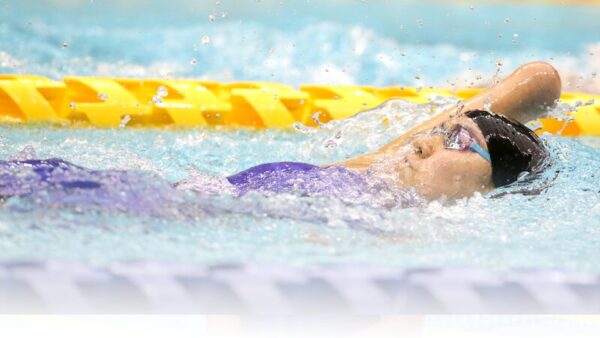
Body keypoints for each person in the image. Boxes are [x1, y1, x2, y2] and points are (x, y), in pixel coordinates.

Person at [0, 62, 560, 208]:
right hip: (131, 191)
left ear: (493, 190)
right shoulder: (369, 173)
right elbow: (540, 80)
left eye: (457, 144)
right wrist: (474, 125)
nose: (422, 141)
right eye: (440, 130)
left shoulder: (418, 234)